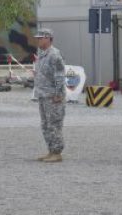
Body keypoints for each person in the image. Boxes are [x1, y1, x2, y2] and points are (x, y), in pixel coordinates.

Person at [32, 28, 67, 163]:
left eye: (41, 38)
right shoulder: (42, 54)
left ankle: (57, 152)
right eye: (38, 38)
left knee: (54, 124)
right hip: (43, 95)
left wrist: (58, 94)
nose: (38, 40)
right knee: (45, 124)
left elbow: (59, 76)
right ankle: (51, 150)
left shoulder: (54, 55)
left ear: (48, 38)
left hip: (53, 96)